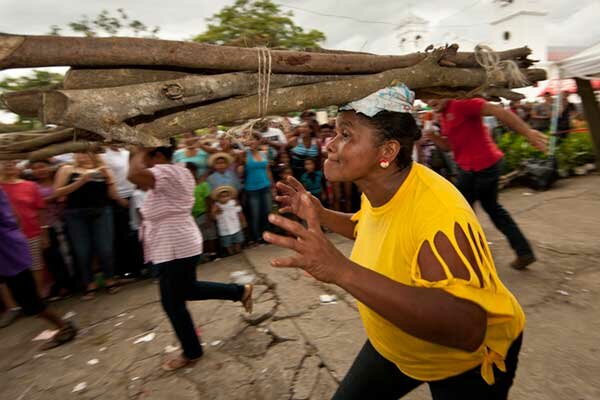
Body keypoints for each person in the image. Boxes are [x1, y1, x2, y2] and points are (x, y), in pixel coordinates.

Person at [264, 84, 526, 399]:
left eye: (346, 135)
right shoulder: (381, 189)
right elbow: (370, 229)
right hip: (395, 344)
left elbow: (467, 329)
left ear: (387, 152)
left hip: (462, 364)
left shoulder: (439, 214)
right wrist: (321, 214)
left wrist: (341, 270)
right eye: (335, 133)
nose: (330, 145)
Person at [127, 143, 253, 371]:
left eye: (146, 157)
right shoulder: (177, 171)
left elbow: (134, 174)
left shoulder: (165, 171)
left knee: (173, 303)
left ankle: (192, 351)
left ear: (155, 155)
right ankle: (239, 292)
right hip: (177, 243)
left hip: (174, 244)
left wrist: (138, 149)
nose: (142, 162)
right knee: (186, 291)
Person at [424, 98, 548, 270]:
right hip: (468, 168)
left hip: (483, 165)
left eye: (432, 96)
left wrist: (528, 133)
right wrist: (433, 137)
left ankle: (471, 259)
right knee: (487, 209)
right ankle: (522, 252)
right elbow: (449, 147)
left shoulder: (461, 103)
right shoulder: (442, 114)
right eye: (425, 98)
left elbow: (498, 111)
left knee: (464, 212)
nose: (429, 101)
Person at [0, 187, 77, 349]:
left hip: (8, 254)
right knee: (27, 300)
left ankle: (64, 327)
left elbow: (14, 217)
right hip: (9, 250)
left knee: (29, 302)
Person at [53, 152, 122, 300]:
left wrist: (109, 179)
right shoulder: (67, 169)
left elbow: (113, 194)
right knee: (82, 251)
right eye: (79, 153)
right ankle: (89, 283)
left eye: (86, 152)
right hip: (75, 214)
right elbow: (57, 192)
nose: (82, 156)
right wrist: (81, 181)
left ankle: (110, 279)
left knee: (105, 248)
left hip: (101, 211)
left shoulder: (103, 168)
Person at [0, 160, 47, 297]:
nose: (9, 165)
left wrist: (44, 233)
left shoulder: (30, 185)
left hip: (31, 232)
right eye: (4, 163)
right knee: (8, 271)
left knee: (36, 266)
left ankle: (37, 298)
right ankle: (14, 306)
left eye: (12, 163)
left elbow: (40, 211)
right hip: (5, 238)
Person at [30, 159, 75, 299]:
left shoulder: (59, 179)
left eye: (42, 166)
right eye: (35, 168)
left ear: (50, 167)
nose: (40, 170)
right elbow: (37, 205)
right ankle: (63, 285)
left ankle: (73, 283)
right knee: (53, 257)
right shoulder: (32, 186)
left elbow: (67, 163)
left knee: (68, 253)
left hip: (65, 221)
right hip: (46, 225)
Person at [101, 146, 137, 280]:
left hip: (134, 194)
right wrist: (118, 198)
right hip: (118, 197)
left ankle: (138, 267)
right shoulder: (105, 155)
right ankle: (126, 270)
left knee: (135, 232)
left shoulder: (126, 152)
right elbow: (108, 180)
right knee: (122, 235)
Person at [240, 132, 274, 244]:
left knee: (267, 212)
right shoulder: (244, 154)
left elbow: (268, 170)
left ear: (258, 141)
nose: (251, 142)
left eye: (253, 139)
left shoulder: (264, 153)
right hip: (252, 189)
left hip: (266, 187)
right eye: (249, 140)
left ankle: (267, 235)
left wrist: (272, 186)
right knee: (255, 214)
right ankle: (256, 237)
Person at [187, 162, 218, 261]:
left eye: (190, 171)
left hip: (204, 213)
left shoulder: (203, 185)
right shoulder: (185, 187)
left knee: (210, 233)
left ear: (195, 172)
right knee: (201, 236)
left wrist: (209, 214)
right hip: (192, 216)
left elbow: (208, 199)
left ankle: (213, 253)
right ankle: (205, 254)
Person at [211, 185, 246, 255]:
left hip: (236, 227)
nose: (225, 198)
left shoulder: (233, 203)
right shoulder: (216, 206)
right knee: (227, 244)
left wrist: (243, 221)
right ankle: (231, 253)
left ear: (230, 196)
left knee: (238, 241)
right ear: (218, 198)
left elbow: (239, 212)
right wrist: (214, 212)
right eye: (222, 197)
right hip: (224, 229)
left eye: (227, 196)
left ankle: (238, 251)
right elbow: (213, 218)